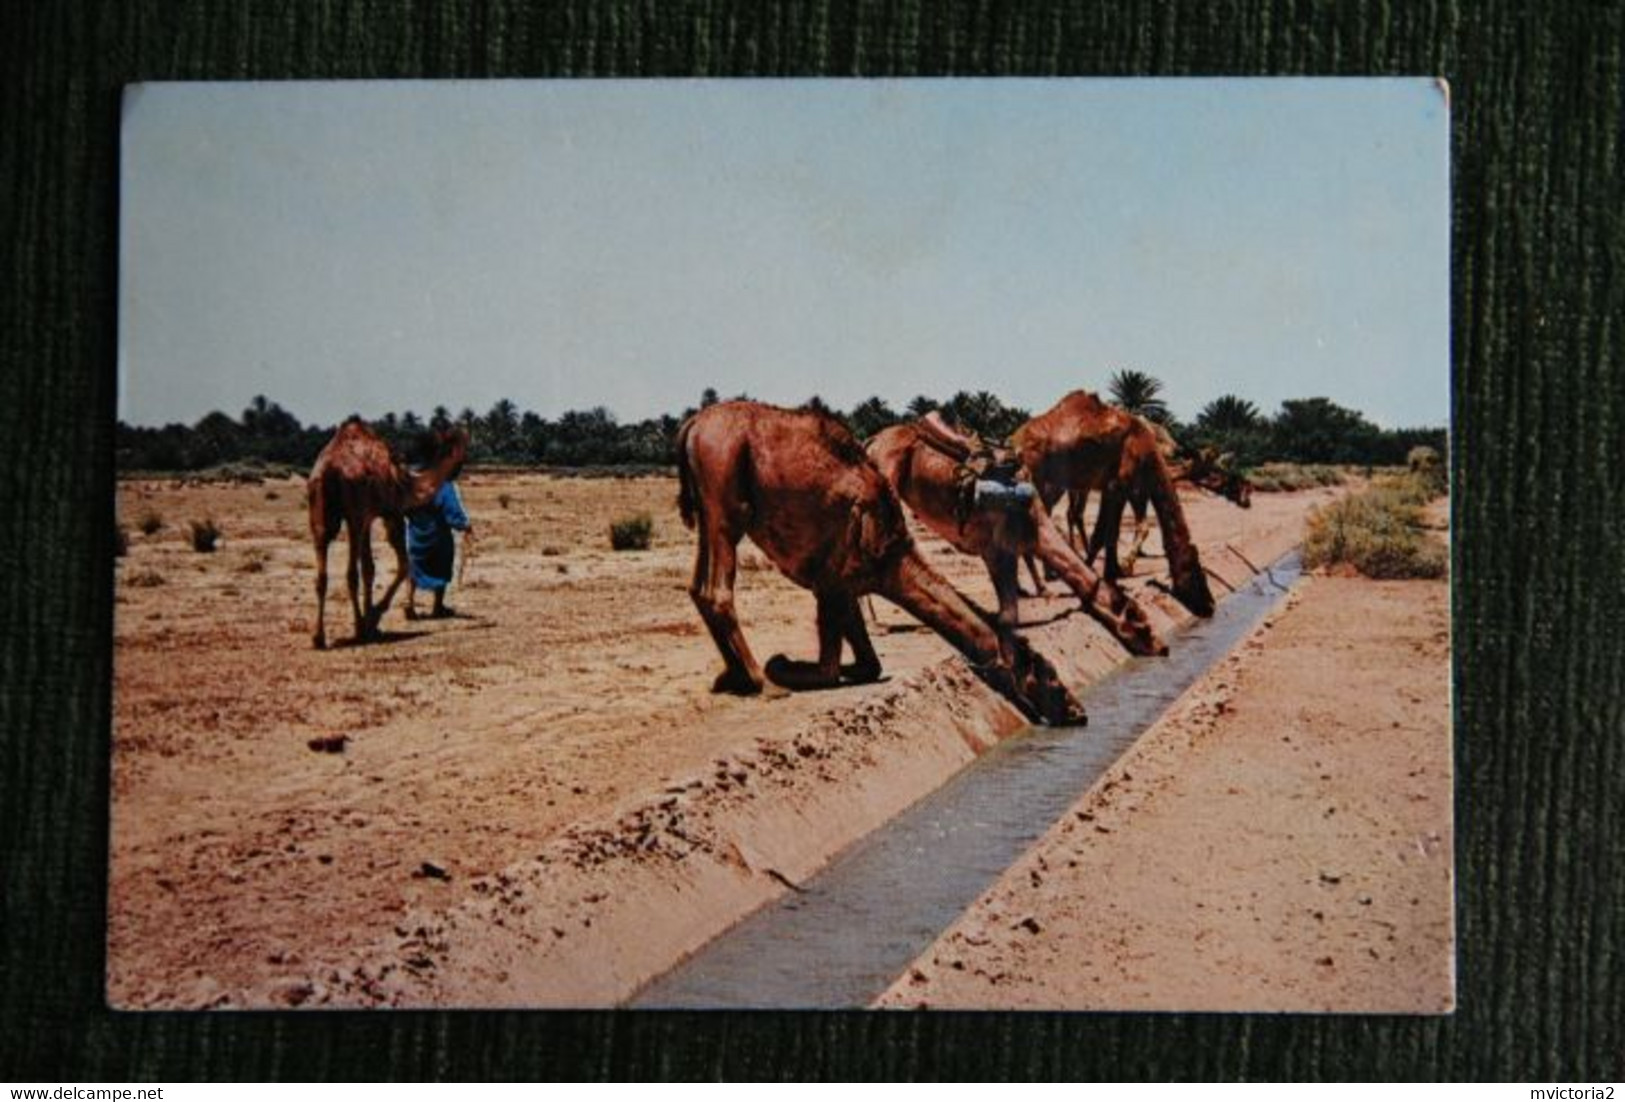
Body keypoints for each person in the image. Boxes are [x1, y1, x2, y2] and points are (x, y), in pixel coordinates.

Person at [404, 466, 473, 620]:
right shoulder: (442, 484)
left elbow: (404, 507)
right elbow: (451, 508)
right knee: (442, 563)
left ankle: (409, 601)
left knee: (414, 564)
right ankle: (438, 606)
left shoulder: (415, 483)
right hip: (438, 532)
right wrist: (464, 524)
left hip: (416, 531)